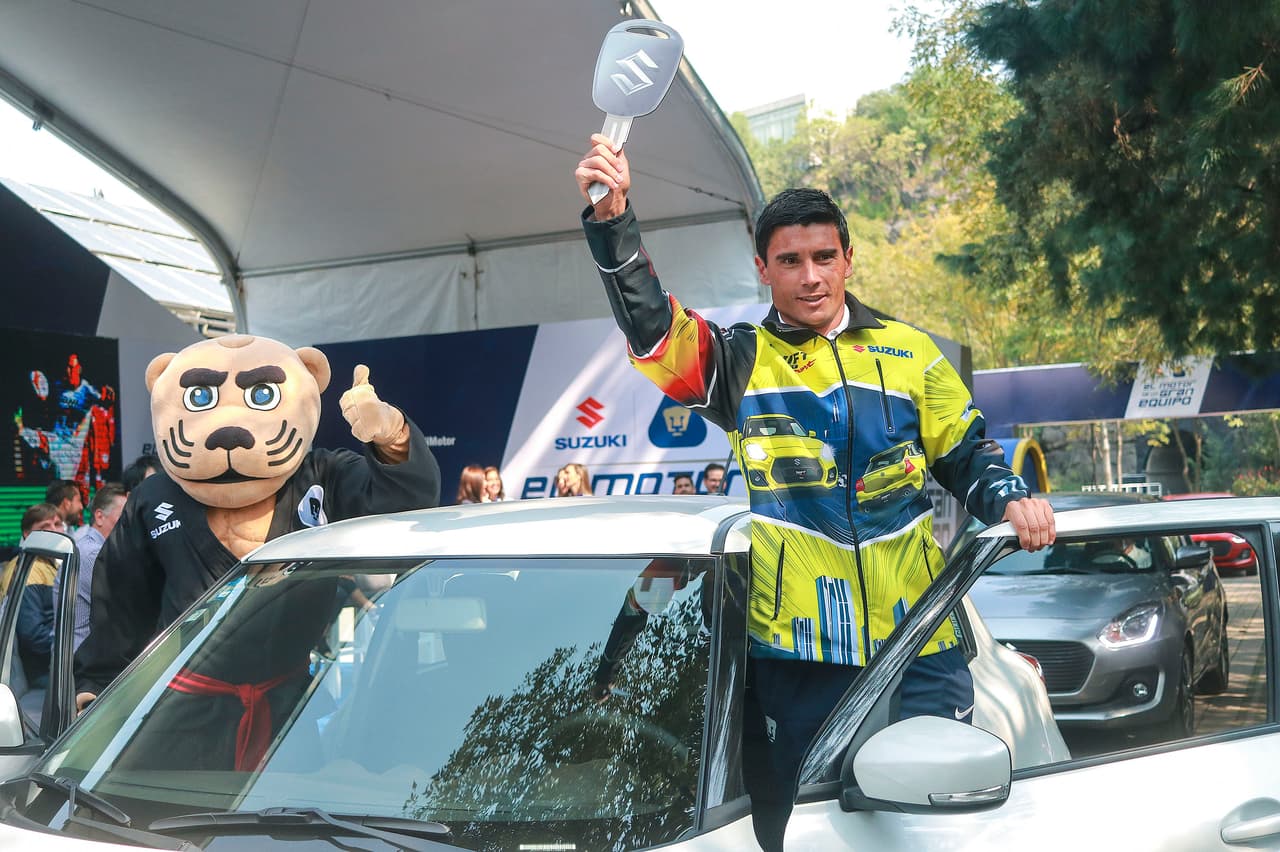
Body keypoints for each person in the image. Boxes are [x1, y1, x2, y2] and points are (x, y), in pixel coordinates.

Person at [576, 135, 1055, 851]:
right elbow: (650, 327)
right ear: (763, 269)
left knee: (937, 825)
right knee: (816, 836)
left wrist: (1010, 497)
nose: (810, 276)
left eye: (824, 257)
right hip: (800, 655)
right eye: (791, 261)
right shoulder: (738, 360)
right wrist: (614, 220)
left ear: (848, 261)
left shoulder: (909, 350)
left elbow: (965, 450)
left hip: (921, 644)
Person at [1, 504, 66, 689]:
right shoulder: (27, 570)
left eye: (58, 524)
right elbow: (33, 636)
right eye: (45, 526)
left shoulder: (49, 563)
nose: (55, 531)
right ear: (28, 535)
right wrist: (70, 650)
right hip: (40, 671)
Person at [54, 483, 127, 651]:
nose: (129, 523)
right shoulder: (91, 554)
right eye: (123, 516)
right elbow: (122, 605)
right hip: (81, 661)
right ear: (99, 517)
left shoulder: (97, 549)